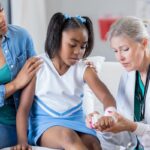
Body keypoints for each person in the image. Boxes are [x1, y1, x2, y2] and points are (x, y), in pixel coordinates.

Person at [14, 12, 116, 150]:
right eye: (72, 45)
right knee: (68, 137)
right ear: (56, 39)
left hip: (77, 121)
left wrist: (109, 113)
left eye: (83, 46)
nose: (78, 52)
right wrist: (22, 141)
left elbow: (105, 96)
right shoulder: (38, 66)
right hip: (46, 124)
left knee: (94, 144)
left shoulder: (84, 69)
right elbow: (23, 109)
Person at [87, 16, 150, 150]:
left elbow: (132, 127)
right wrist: (105, 125)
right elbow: (127, 137)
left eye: (125, 49)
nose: (119, 57)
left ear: (144, 43)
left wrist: (131, 126)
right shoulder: (128, 76)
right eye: (115, 51)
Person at [0, 3, 42, 149]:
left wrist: (80, 66)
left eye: (1, 10)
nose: (1, 19)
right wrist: (16, 84)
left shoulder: (21, 36)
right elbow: (22, 81)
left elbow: (38, 72)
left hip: (25, 120)